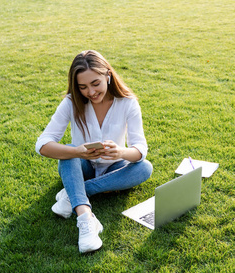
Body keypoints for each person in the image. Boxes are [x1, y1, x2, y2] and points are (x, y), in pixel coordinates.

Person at [35, 50, 153, 253]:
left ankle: (74, 193)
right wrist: (79, 152)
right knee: (69, 151)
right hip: (82, 167)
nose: (90, 92)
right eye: (83, 87)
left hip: (115, 167)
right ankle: (85, 218)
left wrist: (121, 153)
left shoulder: (128, 103)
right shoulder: (71, 102)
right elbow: (43, 145)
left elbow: (140, 149)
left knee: (144, 168)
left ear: (108, 74)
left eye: (95, 83)